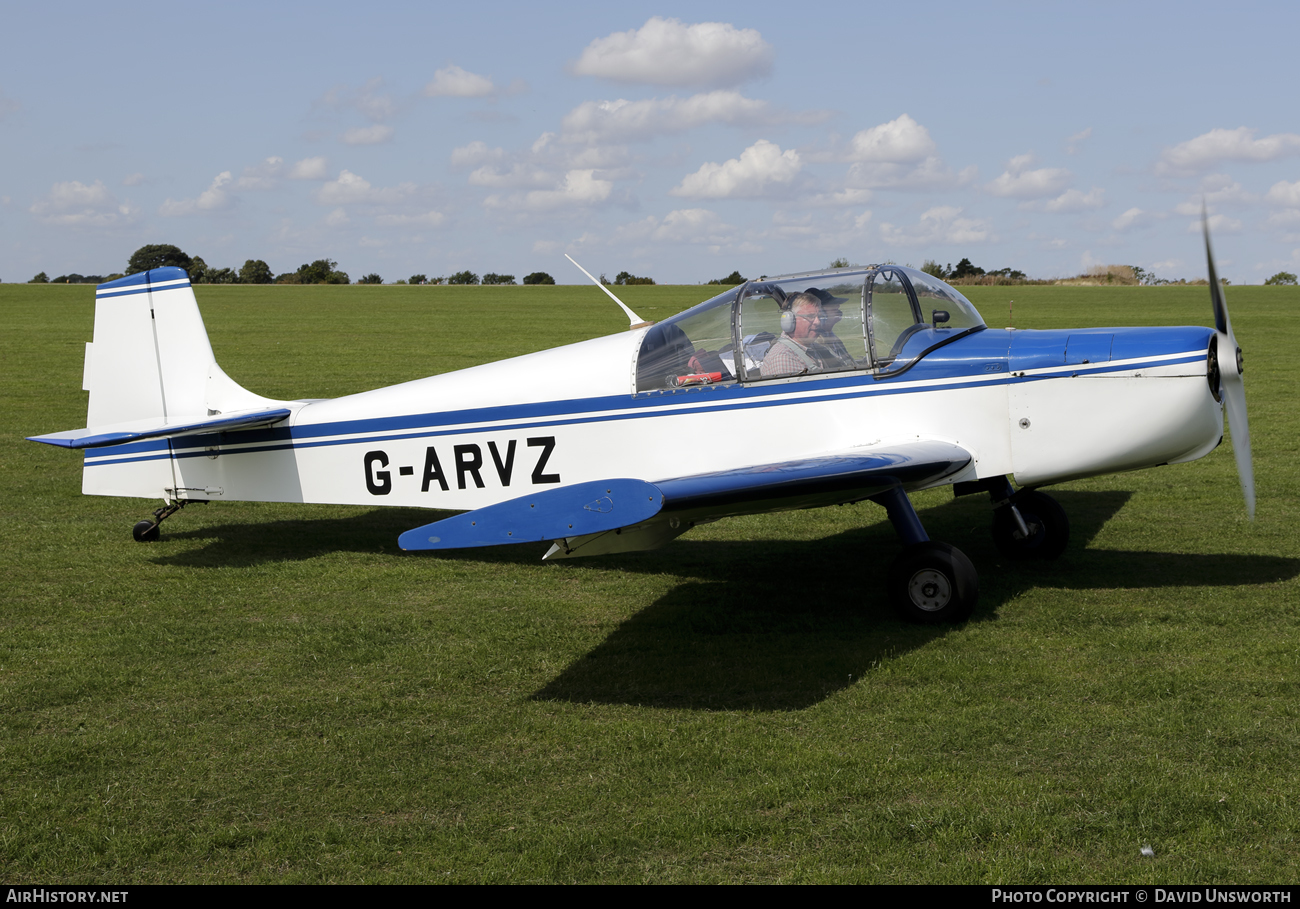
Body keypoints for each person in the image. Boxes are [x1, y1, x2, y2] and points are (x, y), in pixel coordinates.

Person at [760, 293, 827, 378]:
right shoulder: (784, 358)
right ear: (789, 320)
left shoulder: (811, 346)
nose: (818, 322)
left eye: (819, 316)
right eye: (810, 316)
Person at [805, 287, 857, 370]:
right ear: (819, 312)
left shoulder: (831, 337)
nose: (838, 306)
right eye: (831, 304)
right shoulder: (816, 344)